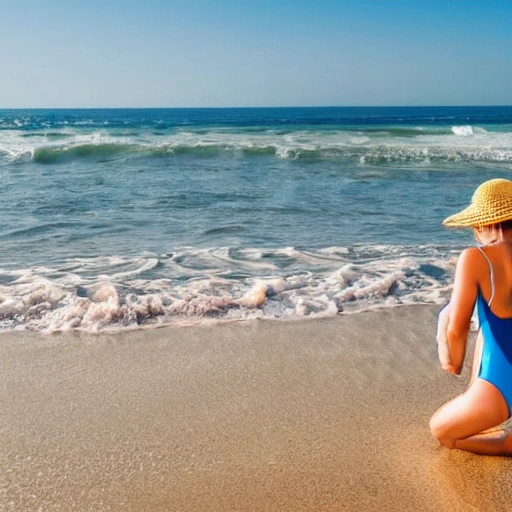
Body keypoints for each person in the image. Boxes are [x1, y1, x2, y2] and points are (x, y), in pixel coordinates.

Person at [430, 178, 512, 455]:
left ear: (478, 227)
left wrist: (452, 359)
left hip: (499, 388)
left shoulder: (476, 258)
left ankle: (504, 443)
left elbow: (459, 328)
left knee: (442, 431)